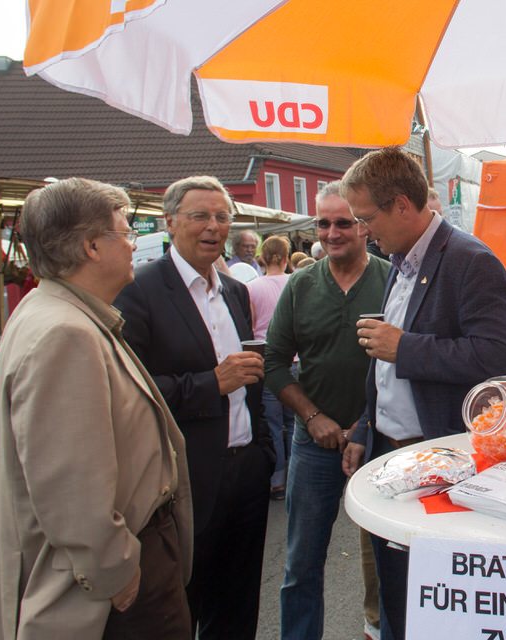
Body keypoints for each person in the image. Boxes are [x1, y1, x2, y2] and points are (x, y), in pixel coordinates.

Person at [0, 178, 194, 639]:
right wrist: (119, 571)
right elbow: (69, 488)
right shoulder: (66, 333)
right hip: (115, 588)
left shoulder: (58, 311)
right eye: (126, 231)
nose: (135, 244)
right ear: (92, 246)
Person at [341, 147, 506, 640]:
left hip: (440, 463)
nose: (362, 231)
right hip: (391, 452)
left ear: (402, 205)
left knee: (430, 608)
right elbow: (386, 369)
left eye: (366, 218)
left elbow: (501, 361)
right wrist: (365, 426)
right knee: (397, 597)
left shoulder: (470, 260)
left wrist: (407, 348)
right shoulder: (402, 259)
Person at [114, 175, 275, 640]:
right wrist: (212, 383)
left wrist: (263, 453)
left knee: (239, 606)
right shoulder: (139, 290)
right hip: (186, 478)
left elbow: (251, 379)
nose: (213, 226)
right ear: (169, 222)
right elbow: (129, 393)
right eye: (199, 216)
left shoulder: (234, 291)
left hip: (246, 470)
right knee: (182, 607)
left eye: (222, 216)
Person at [264, 181, 390, 640]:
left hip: (378, 440)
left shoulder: (390, 279)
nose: (332, 232)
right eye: (323, 223)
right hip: (314, 444)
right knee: (301, 564)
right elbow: (274, 363)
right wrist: (313, 418)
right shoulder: (299, 286)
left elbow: (402, 366)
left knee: (386, 562)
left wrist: (367, 422)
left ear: (363, 225)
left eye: (343, 222)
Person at [246, 235, 294, 499]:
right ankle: (296, 474)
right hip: (297, 360)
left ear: (262, 258)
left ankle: (276, 481)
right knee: (297, 423)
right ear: (287, 257)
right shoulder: (296, 282)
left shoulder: (252, 287)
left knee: (274, 424)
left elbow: (251, 327)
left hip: (268, 360)